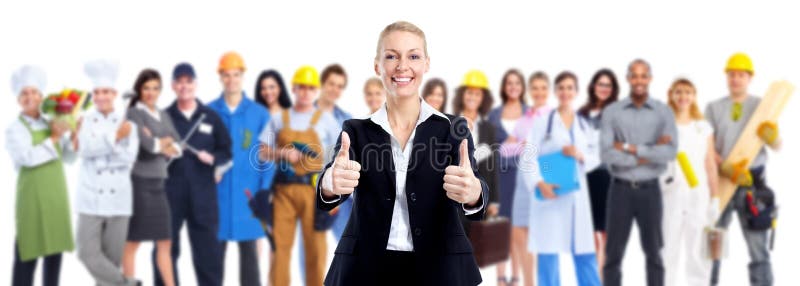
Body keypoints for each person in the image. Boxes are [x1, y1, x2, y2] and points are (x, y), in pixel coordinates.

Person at [317, 20, 488, 286]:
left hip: (440, 268)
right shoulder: (356, 131)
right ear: (377, 65)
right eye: (391, 56)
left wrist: (473, 193)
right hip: (368, 269)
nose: (402, 66)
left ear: (426, 64)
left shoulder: (453, 129)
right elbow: (331, 183)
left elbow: (475, 191)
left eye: (413, 56)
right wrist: (330, 183)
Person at [258, 65, 339, 286]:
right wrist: (282, 153)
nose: (305, 93)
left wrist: (334, 195)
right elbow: (261, 152)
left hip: (314, 192)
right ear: (293, 89)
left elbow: (340, 155)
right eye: (301, 87)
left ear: (316, 91)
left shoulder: (326, 121)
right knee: (280, 248)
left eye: (310, 88)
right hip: (283, 192)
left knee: (315, 250)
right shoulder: (279, 119)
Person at [517, 71, 601, 286]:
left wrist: (580, 155)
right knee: (548, 253)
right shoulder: (542, 123)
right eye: (561, 87)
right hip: (550, 195)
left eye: (569, 88)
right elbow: (528, 157)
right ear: (556, 91)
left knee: (584, 253)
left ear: (576, 92)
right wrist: (539, 183)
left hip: (576, 198)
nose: (565, 92)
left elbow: (596, 156)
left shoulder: (584, 124)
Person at [153, 63, 232, 286]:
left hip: (203, 196)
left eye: (189, 81)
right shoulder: (163, 117)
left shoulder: (210, 117)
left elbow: (226, 150)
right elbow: (150, 151)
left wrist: (214, 159)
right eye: (179, 81)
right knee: (165, 250)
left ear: (196, 85)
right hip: (170, 194)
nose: (184, 86)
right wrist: (164, 154)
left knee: (208, 254)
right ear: (173, 86)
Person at [706, 53, 781, 286]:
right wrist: (725, 166)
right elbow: (706, 148)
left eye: (741, 74)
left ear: (749, 78)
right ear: (727, 77)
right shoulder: (713, 108)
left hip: (752, 186)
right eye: (732, 74)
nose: (736, 78)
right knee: (712, 248)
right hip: (722, 185)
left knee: (759, 251)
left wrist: (773, 136)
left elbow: (778, 146)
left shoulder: (762, 106)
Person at [601, 59, 677, 286]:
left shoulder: (663, 112)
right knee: (613, 256)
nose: (639, 81)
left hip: (650, 191)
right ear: (628, 79)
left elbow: (669, 152)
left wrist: (626, 147)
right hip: (620, 191)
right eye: (634, 76)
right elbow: (606, 154)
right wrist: (651, 151)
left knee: (654, 254)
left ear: (650, 79)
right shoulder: (612, 112)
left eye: (643, 76)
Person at [207, 51, 272, 286]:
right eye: (226, 75)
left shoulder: (259, 114)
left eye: (236, 74)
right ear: (220, 77)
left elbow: (269, 157)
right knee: (212, 264)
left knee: (250, 264)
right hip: (217, 199)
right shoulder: (208, 112)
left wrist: (264, 191)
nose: (231, 79)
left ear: (242, 76)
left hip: (249, 197)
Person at [7, 66, 75, 286]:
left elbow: (68, 158)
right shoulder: (14, 129)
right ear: (18, 100)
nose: (30, 97)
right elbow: (27, 157)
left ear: (42, 97)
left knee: (54, 254)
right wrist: (54, 137)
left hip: (56, 197)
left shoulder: (52, 122)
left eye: (34, 92)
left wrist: (73, 136)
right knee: (27, 253)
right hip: (32, 200)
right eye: (24, 93)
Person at [76, 59, 141, 286]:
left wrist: (101, 149)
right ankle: (127, 283)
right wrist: (114, 139)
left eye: (105, 91)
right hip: (90, 198)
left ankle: (120, 281)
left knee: (111, 264)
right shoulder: (83, 121)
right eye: (96, 92)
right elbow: (84, 150)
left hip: (119, 199)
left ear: (114, 94)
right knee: (86, 253)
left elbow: (129, 158)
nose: (101, 96)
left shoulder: (128, 125)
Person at [121, 69, 181, 286]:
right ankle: (128, 282)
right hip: (140, 183)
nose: (151, 93)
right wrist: (162, 143)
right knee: (133, 242)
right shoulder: (134, 114)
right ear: (139, 89)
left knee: (165, 241)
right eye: (146, 88)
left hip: (159, 184)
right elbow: (148, 147)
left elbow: (179, 145)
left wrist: (161, 142)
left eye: (155, 88)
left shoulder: (163, 114)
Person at [660, 78, 719, 286]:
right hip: (671, 193)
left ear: (694, 96)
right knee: (667, 249)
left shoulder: (703, 127)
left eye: (687, 92)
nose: (683, 96)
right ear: (672, 95)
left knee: (698, 251)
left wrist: (715, 198)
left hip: (698, 194)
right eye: (678, 92)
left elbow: (710, 163)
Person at [488, 69, 531, 286]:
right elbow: (491, 150)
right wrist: (515, 148)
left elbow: (534, 147)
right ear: (504, 87)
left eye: (517, 83)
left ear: (522, 87)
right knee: (501, 229)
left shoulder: (530, 113)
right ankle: (500, 277)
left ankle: (516, 277)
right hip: (500, 178)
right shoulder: (494, 115)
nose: (513, 87)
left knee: (518, 230)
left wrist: (508, 149)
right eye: (509, 83)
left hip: (523, 178)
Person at [576, 68, 619, 272]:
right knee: (591, 232)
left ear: (613, 90)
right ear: (593, 86)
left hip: (608, 177)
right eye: (601, 84)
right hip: (585, 178)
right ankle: (595, 276)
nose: (604, 89)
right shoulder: (581, 114)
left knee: (607, 232)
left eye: (608, 85)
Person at [452, 70, 499, 232]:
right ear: (462, 95)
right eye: (469, 93)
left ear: (483, 99)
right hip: (454, 196)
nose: (473, 97)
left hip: (479, 197)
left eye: (477, 94)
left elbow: (493, 167)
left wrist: (494, 201)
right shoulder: (448, 123)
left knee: (478, 248)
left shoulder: (489, 129)